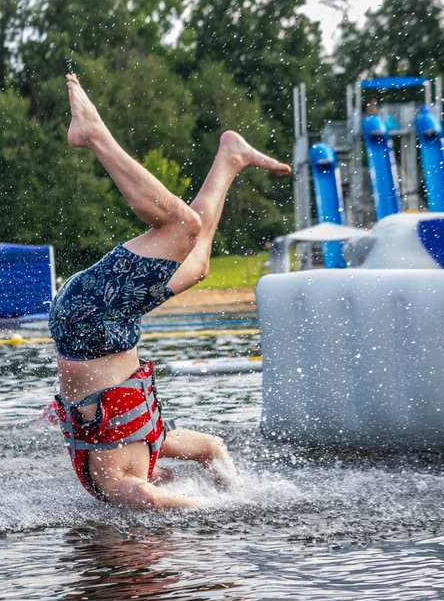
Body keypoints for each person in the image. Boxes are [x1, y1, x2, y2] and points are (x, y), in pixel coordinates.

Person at [48, 74, 291, 510]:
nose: (168, 478)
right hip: (111, 323)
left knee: (182, 226)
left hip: (85, 320)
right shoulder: (154, 439)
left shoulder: (115, 481)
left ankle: (94, 134)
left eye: (166, 479)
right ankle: (230, 157)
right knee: (196, 265)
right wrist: (236, 497)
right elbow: (212, 448)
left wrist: (208, 511)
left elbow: (149, 498)